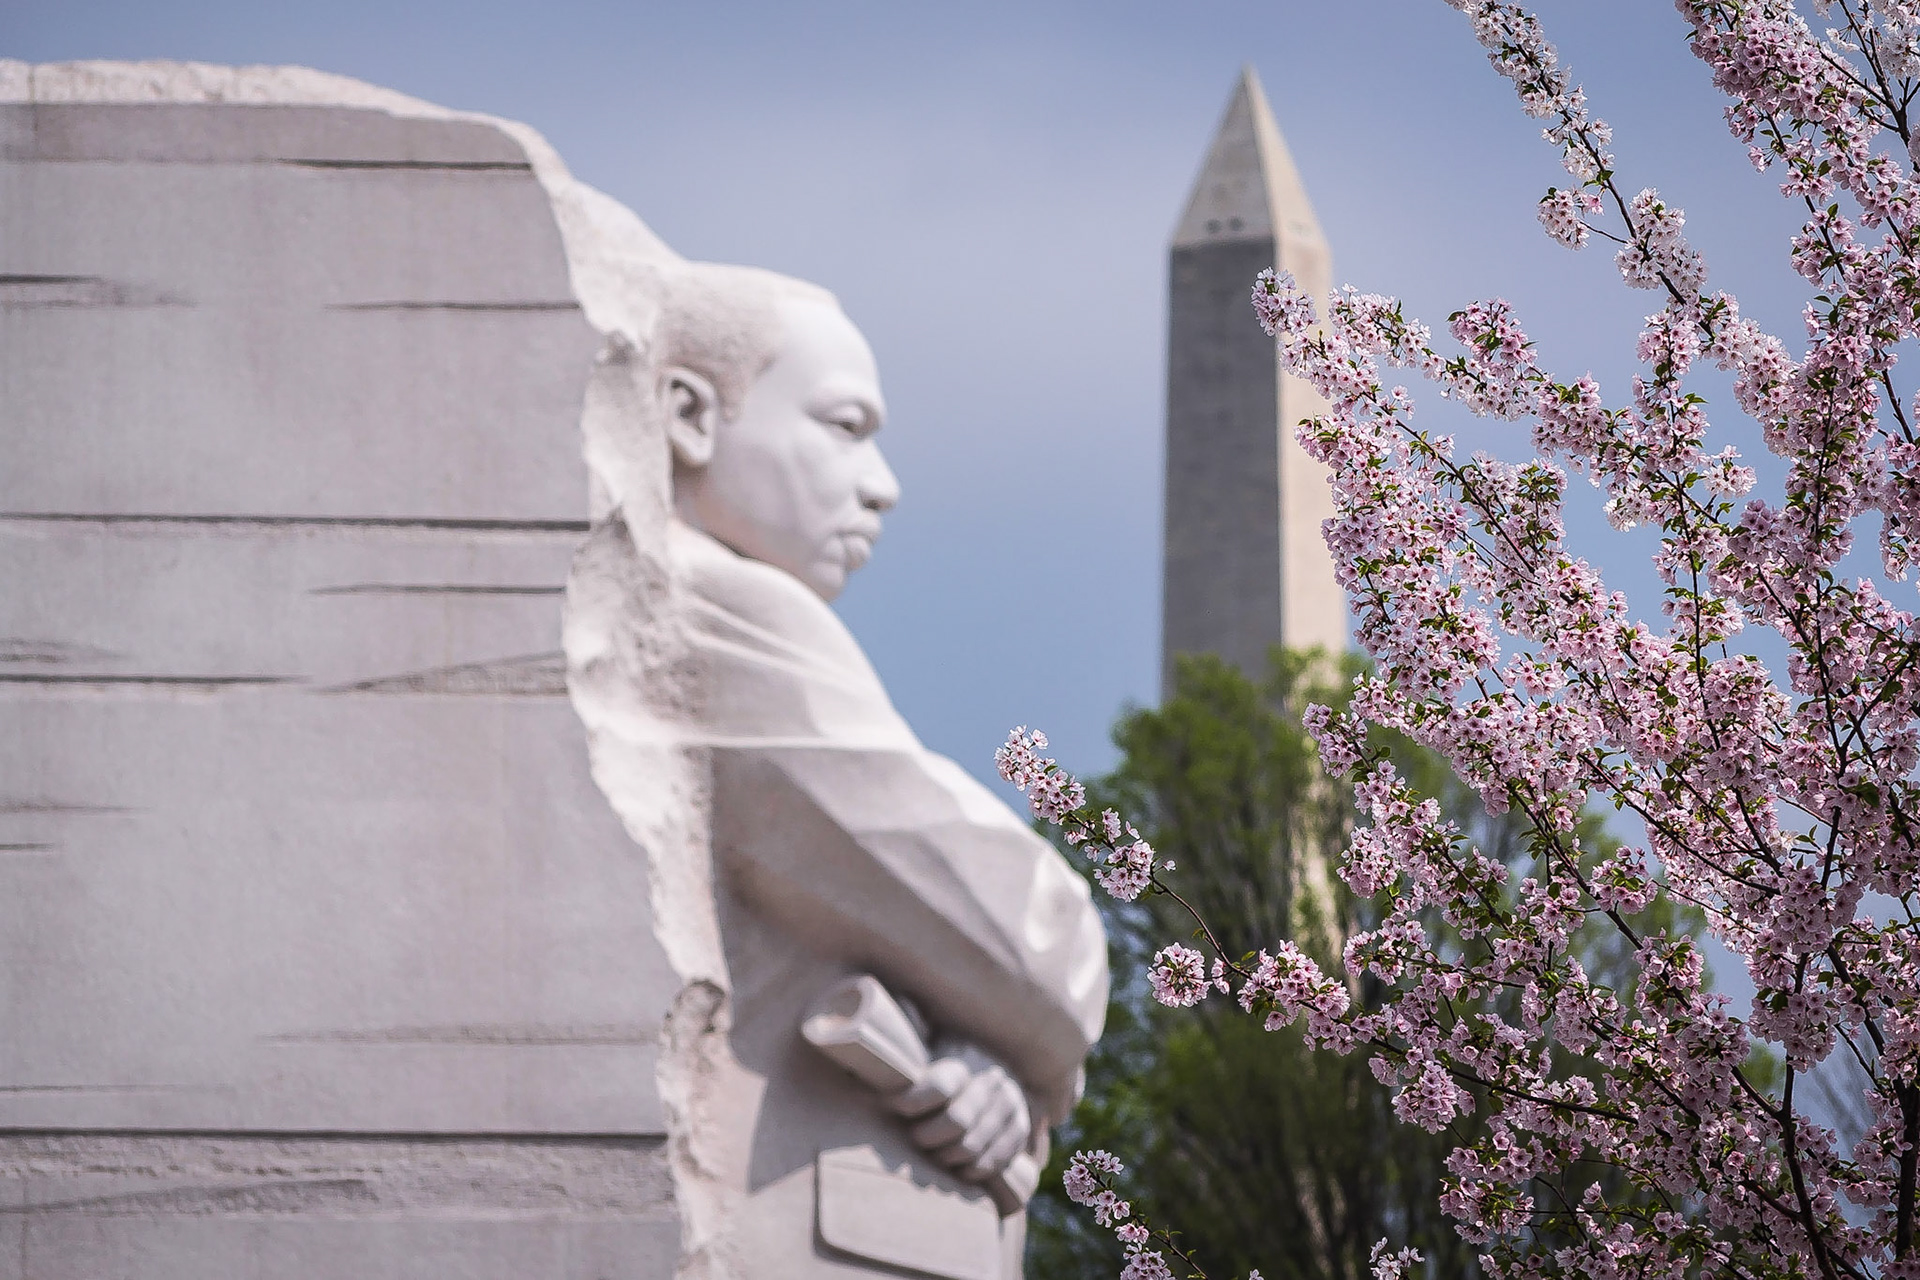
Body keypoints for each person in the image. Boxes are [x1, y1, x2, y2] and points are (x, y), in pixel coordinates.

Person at [571, 259, 1109, 1279]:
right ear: (688, 417)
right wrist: (1030, 1024)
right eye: (844, 424)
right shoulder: (721, 608)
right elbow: (1029, 940)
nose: (884, 482)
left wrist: (1003, 1067)